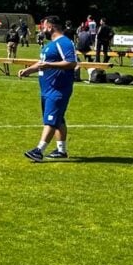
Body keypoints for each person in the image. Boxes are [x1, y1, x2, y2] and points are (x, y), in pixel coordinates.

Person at [18, 15, 77, 162]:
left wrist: (50, 65)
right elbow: (42, 63)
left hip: (58, 89)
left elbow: (71, 63)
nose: (42, 29)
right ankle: (61, 150)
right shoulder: (50, 44)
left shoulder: (64, 42)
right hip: (47, 89)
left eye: (44, 26)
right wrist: (28, 70)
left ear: (50, 27)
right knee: (58, 119)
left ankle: (39, 150)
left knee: (50, 120)